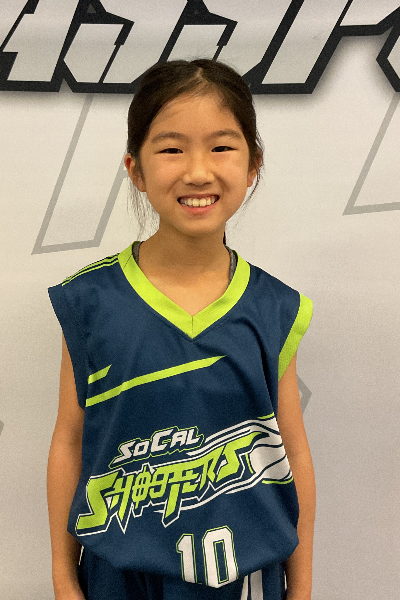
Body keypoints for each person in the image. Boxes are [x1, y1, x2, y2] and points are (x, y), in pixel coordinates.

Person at [47, 59, 315, 600]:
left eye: (221, 147)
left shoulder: (275, 308)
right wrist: (62, 574)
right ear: (136, 169)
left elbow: (292, 450)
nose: (197, 171)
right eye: (171, 149)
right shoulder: (90, 301)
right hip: (118, 576)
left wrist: (302, 584)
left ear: (253, 163)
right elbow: (70, 441)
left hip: (243, 576)